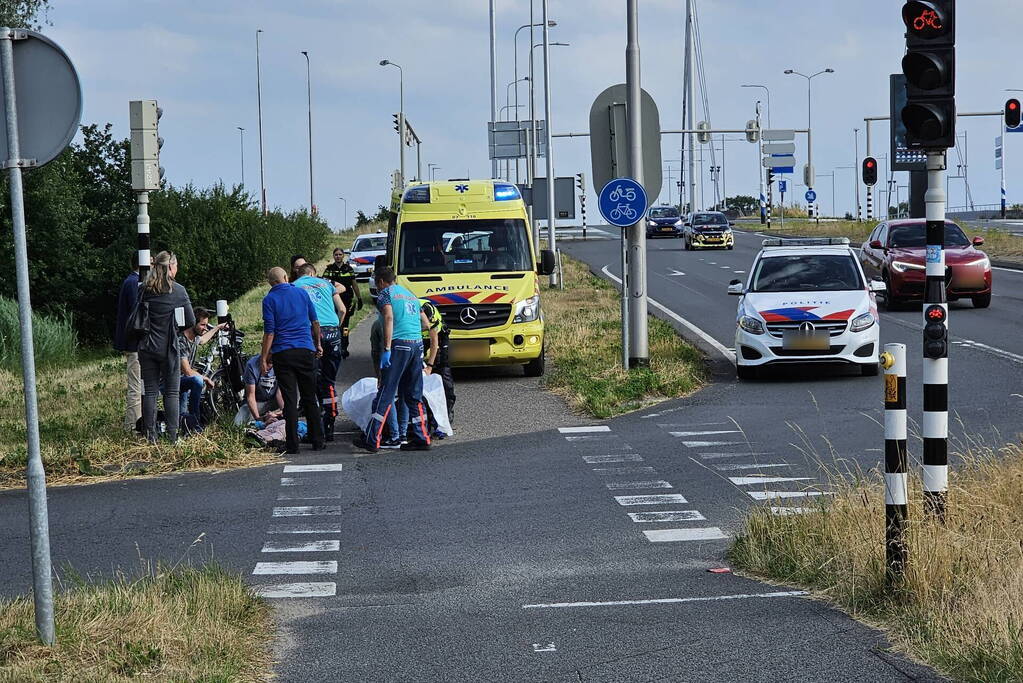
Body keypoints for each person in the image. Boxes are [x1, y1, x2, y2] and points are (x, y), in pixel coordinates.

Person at [354, 266, 438, 453]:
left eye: (377, 284)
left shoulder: (386, 294)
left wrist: (387, 348)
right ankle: (422, 437)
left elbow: (389, 318)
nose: (377, 288)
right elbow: (426, 324)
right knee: (414, 394)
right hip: (416, 344)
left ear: (381, 282)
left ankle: (372, 440)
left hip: (399, 345)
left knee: (386, 393)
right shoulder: (410, 295)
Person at [260, 266, 325, 454]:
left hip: (283, 353)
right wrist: (317, 344)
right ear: (285, 277)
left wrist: (264, 357)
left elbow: (269, 332)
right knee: (309, 396)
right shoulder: (302, 293)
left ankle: (292, 444)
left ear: (271, 283)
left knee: (289, 400)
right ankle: (317, 440)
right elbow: (315, 322)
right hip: (305, 350)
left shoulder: (269, 300)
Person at [138, 251, 195, 444]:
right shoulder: (178, 291)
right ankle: (173, 436)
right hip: (169, 347)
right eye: (176, 265)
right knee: (171, 393)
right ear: (171, 266)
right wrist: (176, 324)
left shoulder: (144, 288)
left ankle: (150, 436)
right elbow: (190, 321)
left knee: (150, 392)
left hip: (146, 346)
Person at [293, 262, 346, 440]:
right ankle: (330, 423)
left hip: (310, 332)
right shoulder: (326, 283)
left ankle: (316, 428)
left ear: (301, 274)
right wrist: (336, 328)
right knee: (329, 381)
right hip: (332, 332)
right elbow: (342, 309)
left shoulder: (295, 286)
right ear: (313, 273)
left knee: (311, 380)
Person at [177, 307, 227, 424]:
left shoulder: (194, 338)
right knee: (197, 381)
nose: (205, 328)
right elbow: (187, 371)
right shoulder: (181, 341)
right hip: (171, 381)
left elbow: (203, 339)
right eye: (202, 325)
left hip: (182, 379)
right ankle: (195, 420)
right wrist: (206, 378)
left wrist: (218, 327)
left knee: (181, 416)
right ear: (193, 323)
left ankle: (186, 423)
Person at [370, 312, 407, 448]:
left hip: (389, 363)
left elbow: (375, 352)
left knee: (387, 397)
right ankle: (403, 434)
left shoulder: (378, 324)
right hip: (407, 357)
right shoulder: (404, 319)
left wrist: (378, 375)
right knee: (404, 395)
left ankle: (394, 436)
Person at [114, 253, 141, 432]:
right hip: (134, 343)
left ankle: (139, 422)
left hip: (136, 343)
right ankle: (132, 426)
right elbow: (137, 311)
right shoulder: (133, 283)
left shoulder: (132, 281)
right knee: (136, 387)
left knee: (139, 386)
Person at [323, 247, 363, 358]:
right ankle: (334, 346)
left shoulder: (349, 269)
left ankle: (344, 347)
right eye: (336, 254)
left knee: (345, 326)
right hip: (333, 302)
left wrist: (359, 298)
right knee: (334, 325)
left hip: (346, 301)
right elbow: (324, 285)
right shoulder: (329, 269)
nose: (338, 256)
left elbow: (354, 284)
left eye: (340, 254)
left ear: (343, 256)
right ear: (333, 256)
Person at [420, 299, 455, 424]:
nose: (425, 326)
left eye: (426, 324)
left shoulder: (431, 315)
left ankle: (447, 410)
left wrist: (429, 366)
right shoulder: (409, 313)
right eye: (423, 324)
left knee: (443, 369)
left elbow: (434, 343)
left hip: (439, 337)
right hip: (418, 339)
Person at [234, 354, 284, 426]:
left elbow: (280, 394)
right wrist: (259, 420)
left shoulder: (282, 362)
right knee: (237, 423)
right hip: (257, 402)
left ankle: (277, 415)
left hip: (274, 401)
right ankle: (264, 418)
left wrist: (284, 412)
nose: (273, 356)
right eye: (270, 353)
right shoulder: (252, 365)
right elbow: (251, 397)